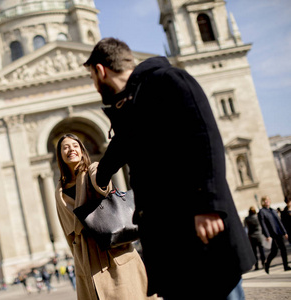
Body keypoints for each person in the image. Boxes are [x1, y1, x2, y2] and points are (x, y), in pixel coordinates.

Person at [83, 37, 255, 299]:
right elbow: (122, 146)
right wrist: (100, 175)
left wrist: (209, 205)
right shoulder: (131, 103)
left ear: (100, 70)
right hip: (169, 244)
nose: (94, 87)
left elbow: (205, 137)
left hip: (200, 230)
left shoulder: (168, 79)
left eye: (92, 79)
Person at [54, 133, 152, 300]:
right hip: (87, 260)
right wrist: (79, 262)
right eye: (65, 147)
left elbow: (102, 184)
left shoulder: (92, 170)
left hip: (113, 252)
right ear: (60, 155)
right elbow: (68, 233)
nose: (71, 149)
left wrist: (100, 178)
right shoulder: (60, 191)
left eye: (75, 146)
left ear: (82, 150)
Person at [257, 196, 291, 273]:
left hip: (278, 232)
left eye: (268, 200)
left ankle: (286, 266)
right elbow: (263, 224)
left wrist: (285, 232)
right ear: (262, 202)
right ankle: (267, 263)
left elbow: (279, 222)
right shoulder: (262, 212)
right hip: (271, 234)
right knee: (274, 251)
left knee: (283, 249)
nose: (267, 201)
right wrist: (267, 235)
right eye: (265, 200)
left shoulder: (273, 210)